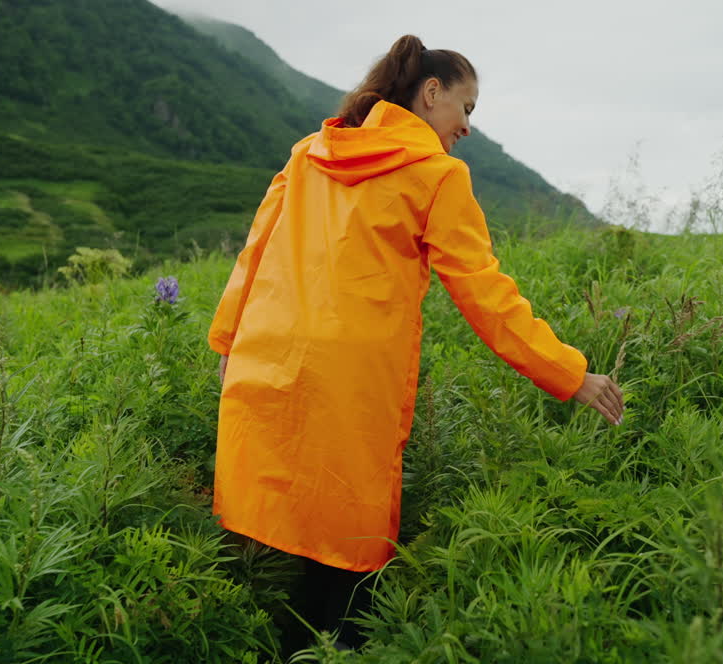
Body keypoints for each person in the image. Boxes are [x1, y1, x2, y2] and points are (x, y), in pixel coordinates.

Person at [207, 34, 624, 650]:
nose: (468, 127)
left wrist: (227, 344)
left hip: (274, 359)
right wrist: (570, 372)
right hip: (355, 379)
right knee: (350, 534)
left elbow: (254, 252)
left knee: (291, 512)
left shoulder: (308, 153)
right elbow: (486, 293)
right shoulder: (436, 176)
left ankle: (285, 641)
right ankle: (339, 647)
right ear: (431, 94)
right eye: (467, 107)